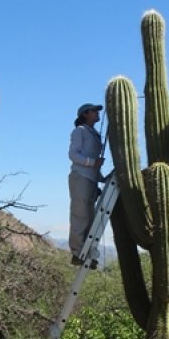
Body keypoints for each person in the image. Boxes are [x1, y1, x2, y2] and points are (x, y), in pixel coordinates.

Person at [68, 103, 105, 269]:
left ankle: (87, 252)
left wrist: (101, 178)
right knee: (80, 214)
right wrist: (92, 163)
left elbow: (95, 163)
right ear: (85, 114)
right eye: (94, 110)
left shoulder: (94, 134)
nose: (97, 113)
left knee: (90, 217)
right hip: (80, 177)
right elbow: (73, 154)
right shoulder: (79, 131)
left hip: (91, 179)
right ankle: (77, 253)